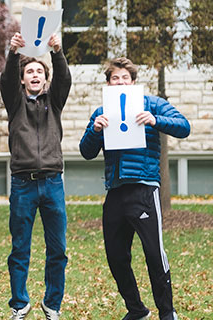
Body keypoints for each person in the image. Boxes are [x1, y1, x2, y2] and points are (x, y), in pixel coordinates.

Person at [79, 58, 190, 320]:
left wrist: (156, 120)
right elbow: (86, 152)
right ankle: (137, 310)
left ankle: (167, 312)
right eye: (115, 78)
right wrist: (95, 131)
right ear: (108, 83)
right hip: (115, 190)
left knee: (153, 252)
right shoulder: (101, 112)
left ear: (133, 81)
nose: (120, 82)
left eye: (124, 78)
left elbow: (184, 127)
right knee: (116, 256)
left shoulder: (151, 104)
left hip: (144, 188)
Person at [0, 32, 71, 320]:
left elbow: (64, 79)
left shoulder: (54, 102)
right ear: (22, 79)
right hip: (23, 184)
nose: (34, 75)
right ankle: (20, 304)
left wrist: (57, 51)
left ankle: (52, 304)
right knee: (20, 249)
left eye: (39, 72)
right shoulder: (15, 103)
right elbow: (6, 79)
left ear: (45, 78)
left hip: (53, 182)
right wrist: (13, 54)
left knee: (58, 249)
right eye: (29, 71)